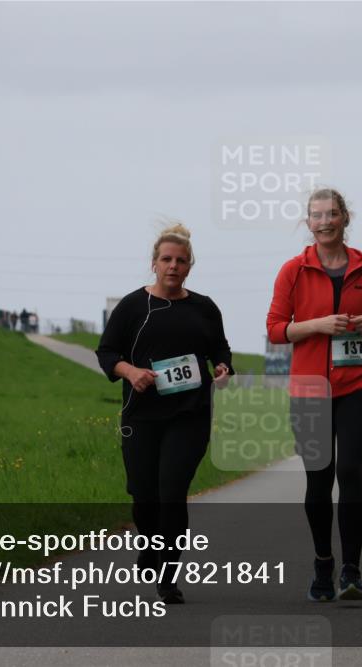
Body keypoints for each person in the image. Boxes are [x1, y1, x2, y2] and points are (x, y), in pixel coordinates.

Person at [267, 188, 362, 602]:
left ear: (345, 218)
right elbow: (275, 329)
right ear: (308, 223)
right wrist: (318, 325)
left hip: (360, 385)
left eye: (332, 214)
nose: (324, 222)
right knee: (319, 480)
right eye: (317, 216)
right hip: (310, 388)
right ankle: (323, 563)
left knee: (350, 470)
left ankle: (351, 572)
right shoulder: (293, 270)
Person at [96, 223, 234, 604]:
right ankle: (149, 543)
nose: (174, 266)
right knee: (144, 496)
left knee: (172, 493)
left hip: (190, 415)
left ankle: (168, 576)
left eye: (181, 261)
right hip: (141, 415)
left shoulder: (204, 308)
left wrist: (223, 368)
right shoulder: (132, 306)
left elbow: (220, 349)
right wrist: (131, 372)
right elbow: (106, 352)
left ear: (190, 266)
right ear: (154, 264)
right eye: (167, 259)